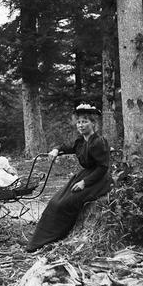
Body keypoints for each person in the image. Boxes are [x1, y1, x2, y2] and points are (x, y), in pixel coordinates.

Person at [25, 103, 113, 253]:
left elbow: (103, 167)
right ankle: (38, 241)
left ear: (93, 123)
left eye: (85, 121)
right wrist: (56, 150)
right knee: (55, 201)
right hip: (85, 175)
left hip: (98, 179)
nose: (81, 125)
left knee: (65, 204)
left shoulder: (98, 141)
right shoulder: (80, 141)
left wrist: (84, 183)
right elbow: (66, 146)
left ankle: (55, 236)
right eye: (79, 122)